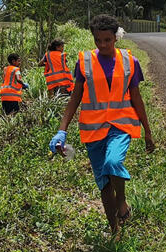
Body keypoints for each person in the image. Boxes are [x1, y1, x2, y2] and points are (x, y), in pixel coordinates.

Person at [49, 15, 155, 235]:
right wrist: (61, 130)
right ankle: (115, 230)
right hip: (92, 129)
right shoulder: (84, 62)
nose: (103, 45)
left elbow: (136, 98)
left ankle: (123, 202)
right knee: (104, 183)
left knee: (113, 162)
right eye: (98, 40)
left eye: (107, 39)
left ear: (115, 38)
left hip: (120, 125)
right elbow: (75, 98)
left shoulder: (130, 61)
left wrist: (148, 131)